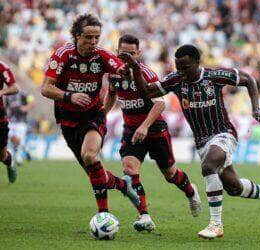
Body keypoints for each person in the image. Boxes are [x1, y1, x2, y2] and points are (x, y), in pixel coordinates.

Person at [120, 44, 260, 239]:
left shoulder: (214, 76)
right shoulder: (176, 80)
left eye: (185, 67)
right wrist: (136, 69)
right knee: (233, 187)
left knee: (209, 166)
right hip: (202, 142)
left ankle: (216, 224)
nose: (181, 72)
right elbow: (147, 92)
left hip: (223, 134)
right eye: (178, 67)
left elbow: (248, 79)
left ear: (197, 63)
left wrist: (256, 108)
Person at [41, 13, 139, 213]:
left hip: (93, 115)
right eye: (88, 37)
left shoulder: (102, 55)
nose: (93, 42)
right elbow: (46, 88)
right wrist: (69, 96)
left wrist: (126, 71)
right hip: (68, 120)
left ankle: (103, 215)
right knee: (93, 171)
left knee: (90, 156)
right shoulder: (63, 55)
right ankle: (122, 185)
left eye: (97, 37)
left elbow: (121, 68)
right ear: (77, 36)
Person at [104, 34, 201, 232]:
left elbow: (160, 103)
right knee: (130, 170)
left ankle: (191, 192)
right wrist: (101, 116)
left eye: (132, 54)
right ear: (117, 52)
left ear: (138, 53)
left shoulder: (146, 74)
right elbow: (112, 94)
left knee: (170, 174)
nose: (128, 57)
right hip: (131, 130)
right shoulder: (113, 73)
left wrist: (145, 126)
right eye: (124, 53)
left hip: (155, 129)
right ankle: (145, 216)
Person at [0, 60, 19, 183]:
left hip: (0, 118)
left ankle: (10, 162)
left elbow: (15, 87)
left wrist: (1, 92)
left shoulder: (2, 67)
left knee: (2, 156)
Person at [5, 91, 34, 165]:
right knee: (12, 138)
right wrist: (7, 113)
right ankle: (26, 150)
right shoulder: (7, 96)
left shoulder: (23, 94)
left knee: (19, 139)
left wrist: (25, 108)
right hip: (11, 121)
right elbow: (7, 107)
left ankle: (18, 158)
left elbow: (31, 102)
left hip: (21, 121)